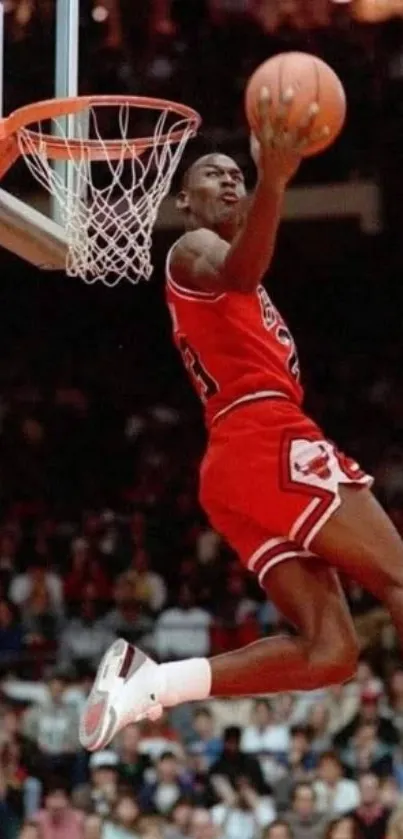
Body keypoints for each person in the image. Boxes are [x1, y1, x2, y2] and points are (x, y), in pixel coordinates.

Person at [80, 83, 403, 753]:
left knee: (330, 653)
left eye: (235, 173)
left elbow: (246, 262)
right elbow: (239, 267)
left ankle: (151, 684)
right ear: (182, 201)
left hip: (235, 467)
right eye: (211, 174)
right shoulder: (190, 251)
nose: (226, 179)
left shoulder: (235, 278)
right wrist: (274, 181)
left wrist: (268, 179)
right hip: (263, 437)